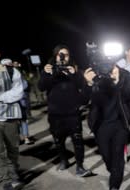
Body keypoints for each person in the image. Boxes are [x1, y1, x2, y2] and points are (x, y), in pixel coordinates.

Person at [83, 61, 130, 190]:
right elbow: (84, 100)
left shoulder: (125, 77)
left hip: (120, 125)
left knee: (118, 156)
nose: (112, 71)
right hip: (101, 125)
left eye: (114, 68)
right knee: (107, 156)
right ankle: (114, 172)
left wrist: (121, 81)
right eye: (109, 69)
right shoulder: (98, 80)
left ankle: (114, 188)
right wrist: (89, 84)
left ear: (117, 67)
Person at [38, 44, 92, 176]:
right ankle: (64, 160)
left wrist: (74, 74)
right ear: (55, 56)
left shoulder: (74, 70)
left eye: (66, 55)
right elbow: (41, 87)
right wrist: (47, 73)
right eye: (60, 54)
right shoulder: (49, 69)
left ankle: (80, 166)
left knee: (77, 140)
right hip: (55, 113)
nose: (63, 57)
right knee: (58, 140)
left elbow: (82, 86)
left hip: (72, 112)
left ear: (69, 56)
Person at [0, 47, 24, 190]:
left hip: (9, 116)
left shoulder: (10, 70)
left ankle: (14, 172)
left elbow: (18, 91)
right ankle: (5, 181)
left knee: (13, 148)